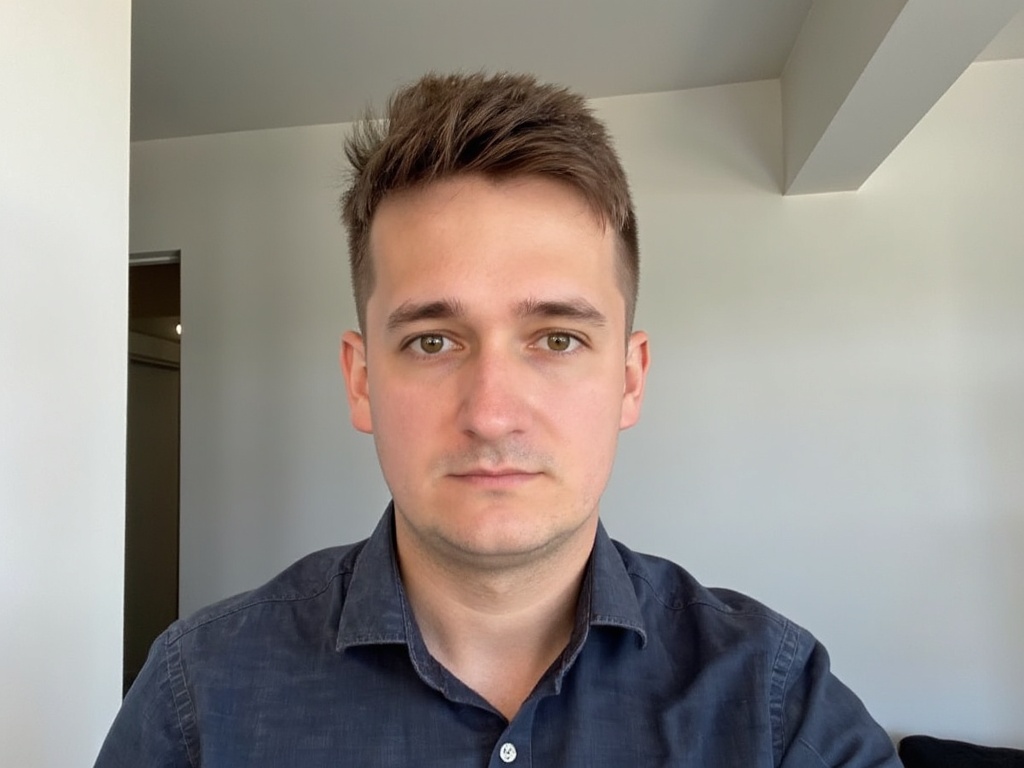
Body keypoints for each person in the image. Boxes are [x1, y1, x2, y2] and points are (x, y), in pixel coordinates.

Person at [95, 72, 900, 767]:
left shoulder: (777, 706)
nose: (491, 413)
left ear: (629, 379)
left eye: (557, 338)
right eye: (433, 341)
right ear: (361, 380)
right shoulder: (197, 698)